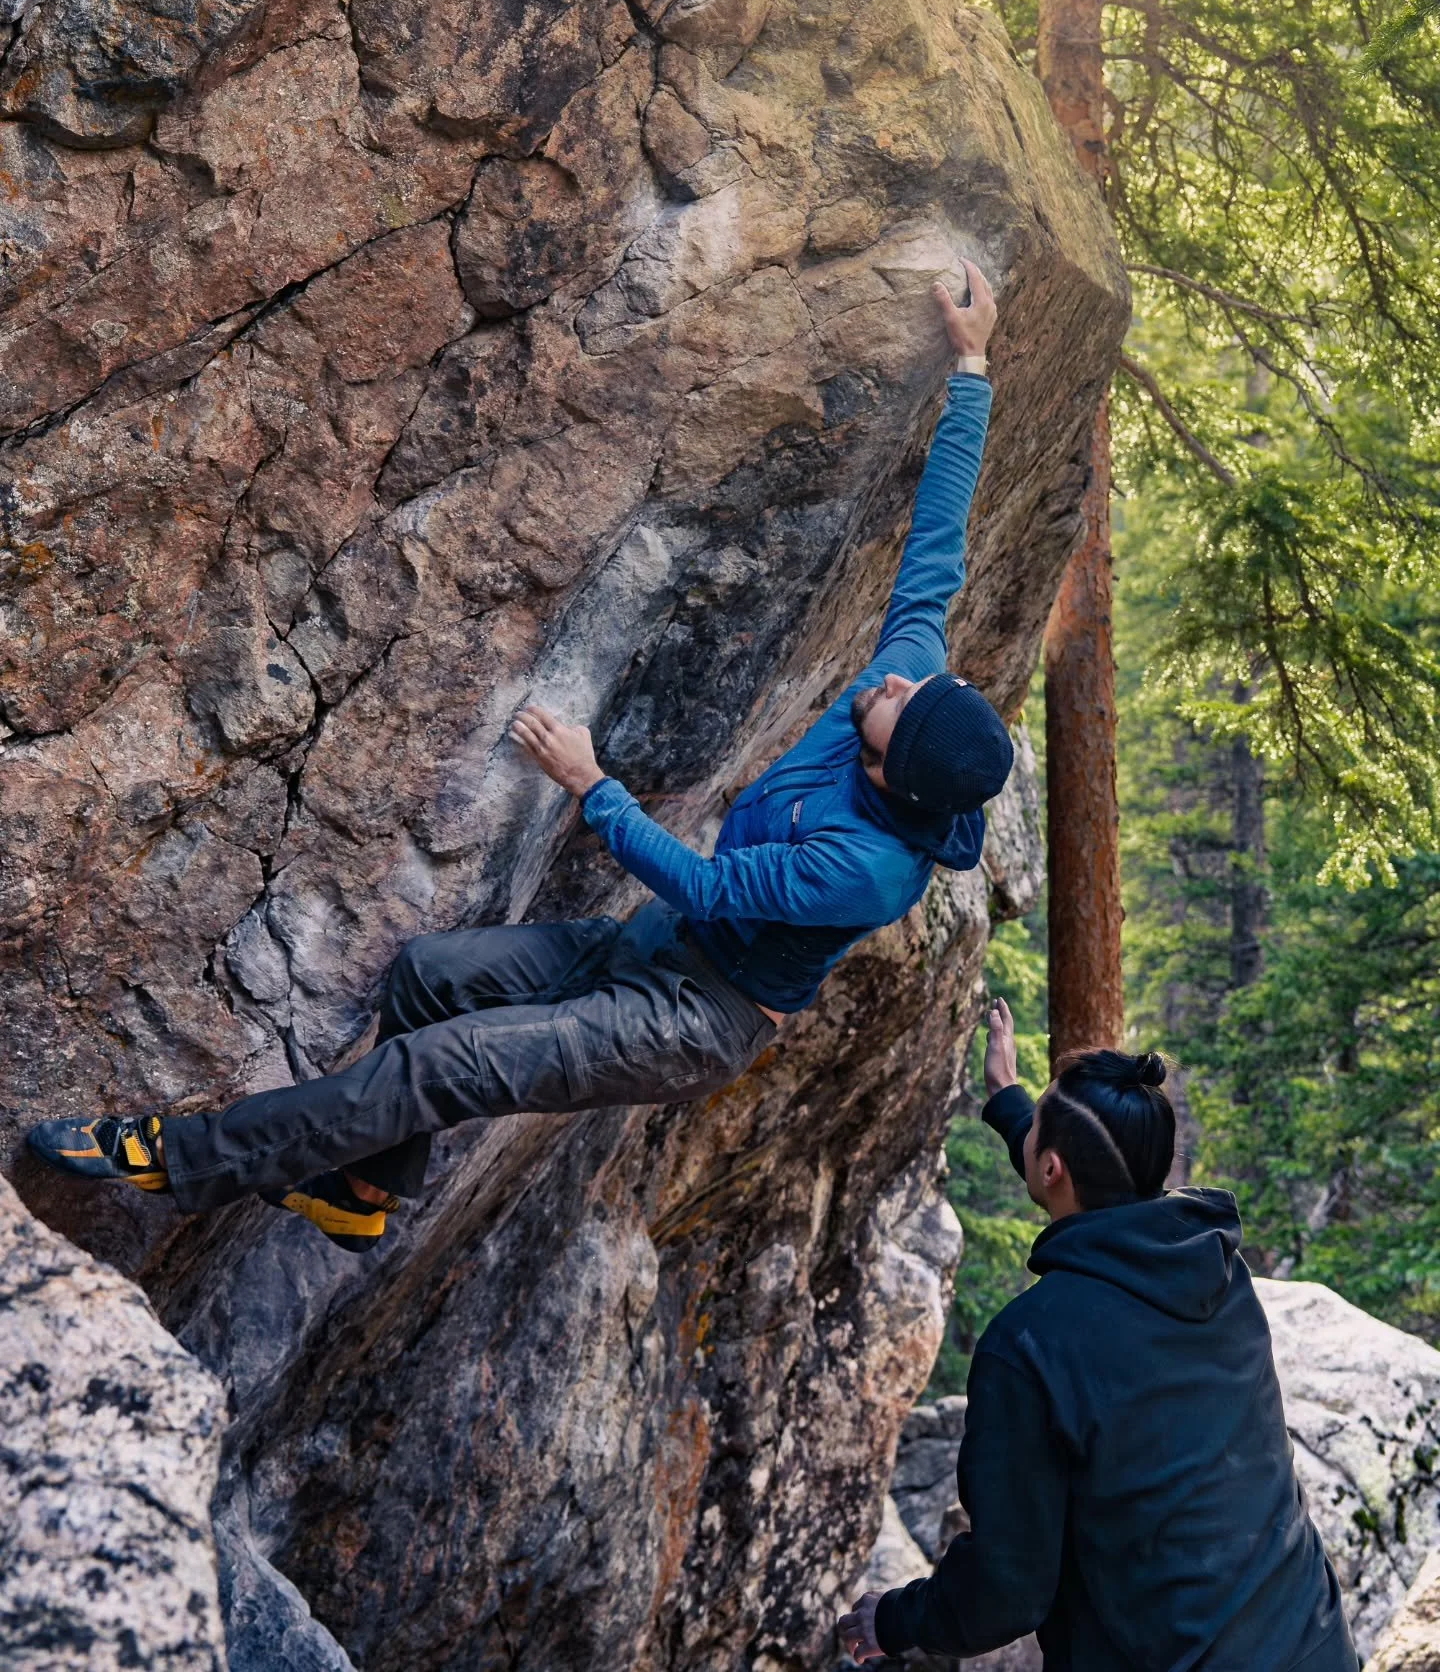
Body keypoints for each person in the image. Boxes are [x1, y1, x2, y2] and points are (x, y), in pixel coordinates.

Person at [29, 263, 1015, 1253]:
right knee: (428, 976)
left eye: (902, 703)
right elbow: (936, 557)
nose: (890, 683)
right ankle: (359, 1191)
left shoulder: (871, 869)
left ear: (901, 774)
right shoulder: (898, 703)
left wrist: (593, 787)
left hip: (693, 1017)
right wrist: (971, 368)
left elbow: (710, 887)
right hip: (655, 949)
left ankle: (173, 1158)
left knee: (433, 1069)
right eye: (910, 680)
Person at [837, 1005, 1360, 1672]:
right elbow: (1093, 1186)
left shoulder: (1028, 1345)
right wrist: (1010, 1101)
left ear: (1051, 1168)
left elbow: (1009, 1589)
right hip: (1308, 1641)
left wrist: (896, 1617)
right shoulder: (1217, 1274)